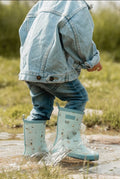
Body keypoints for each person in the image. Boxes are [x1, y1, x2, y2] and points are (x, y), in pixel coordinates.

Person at [19, 0, 102, 161]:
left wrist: (28, 63)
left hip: (30, 66)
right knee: (78, 97)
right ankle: (68, 143)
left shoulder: (44, 2)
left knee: (40, 108)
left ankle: (34, 150)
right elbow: (78, 37)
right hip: (52, 67)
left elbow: (24, 30)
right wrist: (91, 59)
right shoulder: (76, 6)